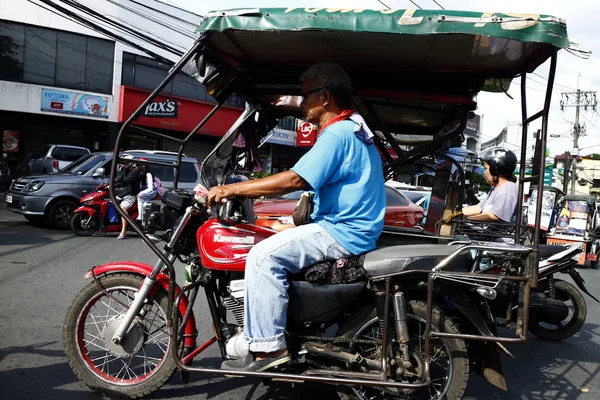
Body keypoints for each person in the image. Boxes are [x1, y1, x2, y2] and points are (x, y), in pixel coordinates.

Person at [205, 62, 386, 372]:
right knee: (271, 239)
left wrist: (232, 190)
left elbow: (294, 180)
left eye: (306, 97)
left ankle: (268, 349)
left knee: (262, 256)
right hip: (345, 226)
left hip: (343, 231)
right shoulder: (352, 128)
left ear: (325, 97)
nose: (302, 104)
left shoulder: (338, 133)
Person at [462, 147, 519, 222]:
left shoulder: (507, 190)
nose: (484, 172)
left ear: (495, 171)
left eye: (485, 168)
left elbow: (494, 216)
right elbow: (478, 208)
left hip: (498, 233)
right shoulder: (497, 188)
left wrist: (467, 219)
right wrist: (456, 213)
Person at [112, 154, 143, 239]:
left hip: (131, 195)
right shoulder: (126, 171)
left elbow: (127, 181)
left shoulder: (135, 171)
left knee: (123, 207)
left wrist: (114, 186)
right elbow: (119, 180)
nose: (122, 164)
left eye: (124, 163)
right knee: (110, 203)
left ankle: (123, 231)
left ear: (130, 163)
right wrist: (108, 184)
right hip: (124, 194)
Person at [136, 161, 157, 228]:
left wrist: (142, 192)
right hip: (144, 190)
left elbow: (150, 188)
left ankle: (140, 218)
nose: (138, 167)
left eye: (140, 165)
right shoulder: (139, 173)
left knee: (141, 197)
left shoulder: (148, 174)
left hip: (151, 191)